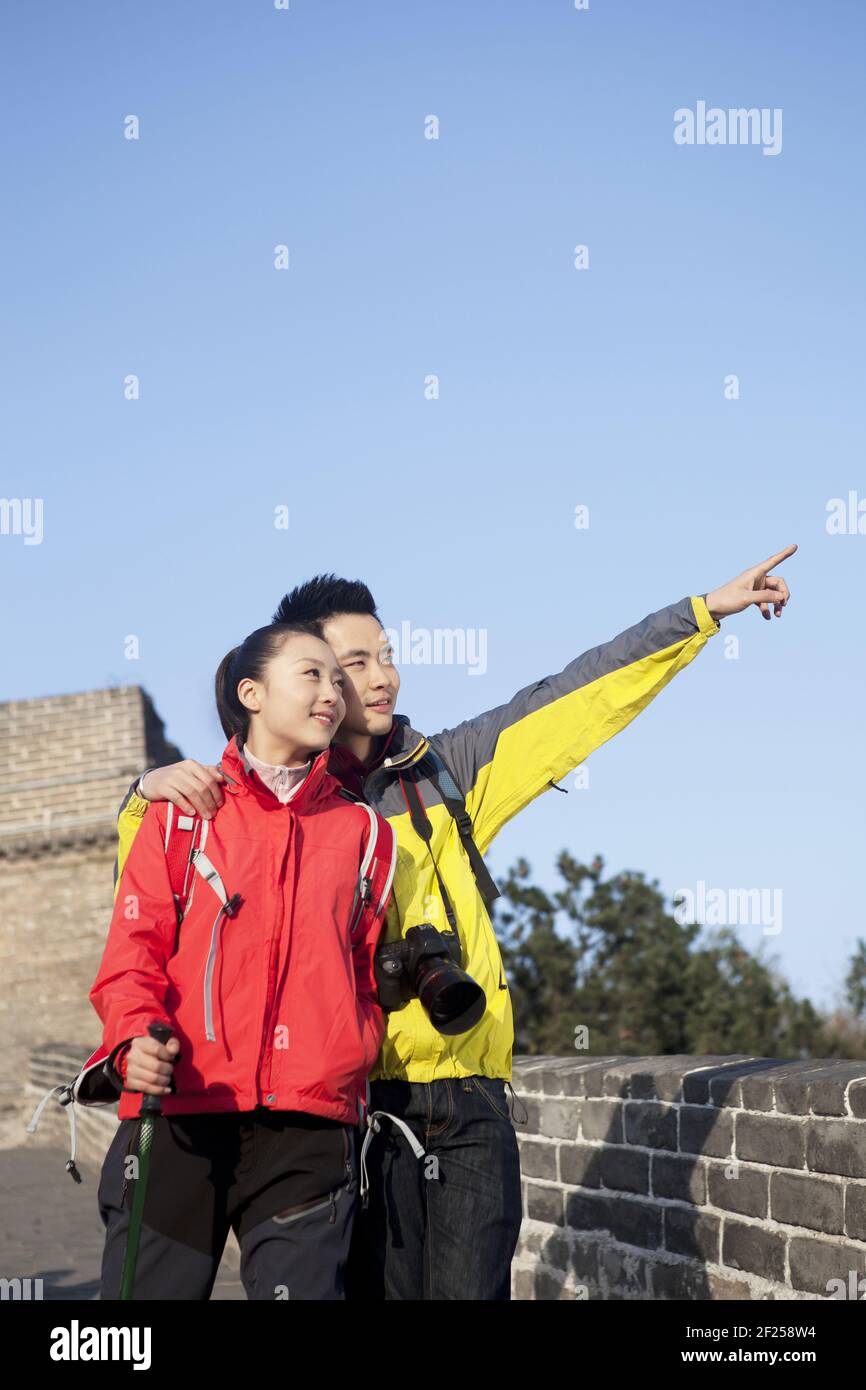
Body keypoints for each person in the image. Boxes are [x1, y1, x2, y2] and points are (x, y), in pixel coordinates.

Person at [114, 545, 795, 1299]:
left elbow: (576, 701)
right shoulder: (268, 807)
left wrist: (699, 615)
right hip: (356, 1108)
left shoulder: (447, 771)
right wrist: (142, 792)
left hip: (469, 1100)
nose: (380, 678)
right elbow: (154, 907)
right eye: (351, 664)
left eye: (387, 657)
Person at [91, 622, 395, 1300]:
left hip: (309, 1129)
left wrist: (347, 1054)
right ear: (251, 692)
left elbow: (363, 971)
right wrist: (132, 1042)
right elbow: (131, 955)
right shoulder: (180, 814)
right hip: (177, 1116)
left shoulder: (366, 833)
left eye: (335, 682)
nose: (332, 694)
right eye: (311, 675)